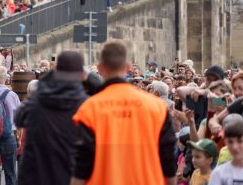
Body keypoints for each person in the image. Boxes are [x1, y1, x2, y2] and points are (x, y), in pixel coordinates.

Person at [71, 41, 177, 185]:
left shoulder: (89, 108)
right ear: (127, 67)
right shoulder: (156, 107)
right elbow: (168, 157)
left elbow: (83, 162)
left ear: (100, 68)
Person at [14, 51, 88, 185]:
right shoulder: (87, 105)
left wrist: (46, 80)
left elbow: (19, 117)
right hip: (71, 176)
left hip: (37, 176)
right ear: (82, 75)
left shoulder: (38, 100)